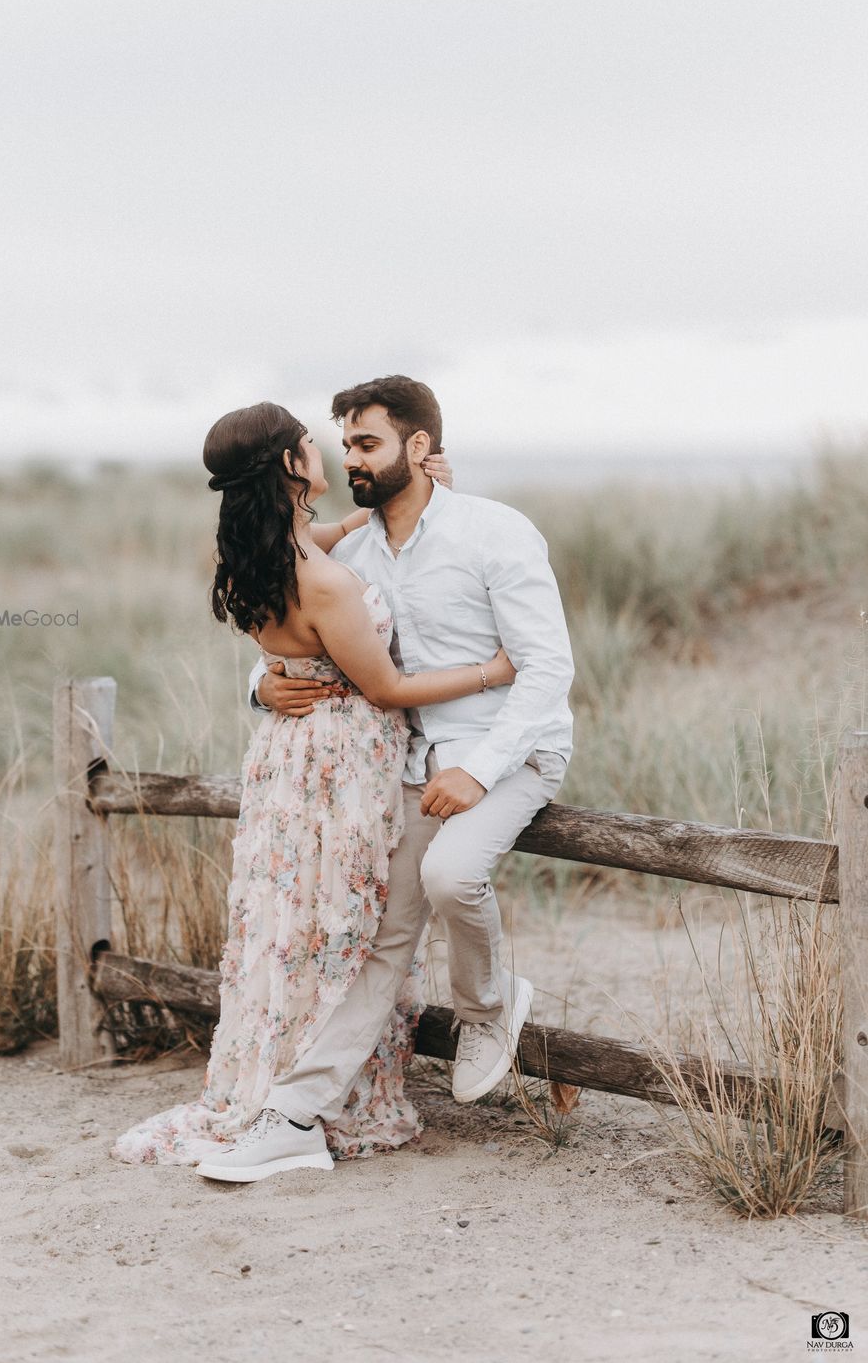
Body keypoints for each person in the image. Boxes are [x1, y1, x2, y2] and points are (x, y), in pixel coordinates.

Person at [109, 401, 516, 1169]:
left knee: (295, 926)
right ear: (291, 466)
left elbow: (341, 537)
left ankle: (287, 1082)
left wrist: (426, 494)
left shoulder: (259, 551)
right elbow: (387, 687)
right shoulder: (323, 582)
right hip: (342, 769)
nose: (326, 450)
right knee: (346, 927)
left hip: (288, 760)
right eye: (311, 443)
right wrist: (494, 670)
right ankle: (313, 1098)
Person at [197, 374, 575, 1184]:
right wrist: (261, 686)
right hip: (406, 762)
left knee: (451, 872)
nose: (351, 460)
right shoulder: (353, 549)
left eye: (367, 444)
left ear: (419, 445)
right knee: (380, 941)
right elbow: (298, 631)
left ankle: (488, 1007)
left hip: (508, 750)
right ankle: (292, 1116)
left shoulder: (494, 531)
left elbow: (547, 668)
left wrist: (477, 769)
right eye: (343, 446)